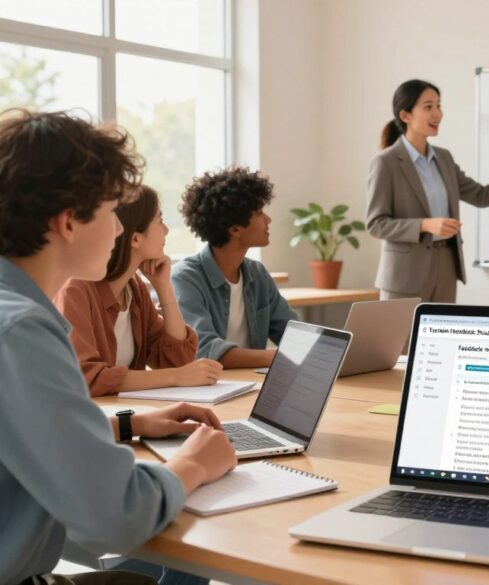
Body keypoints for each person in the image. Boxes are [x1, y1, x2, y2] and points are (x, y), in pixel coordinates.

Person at [0, 110, 236, 585]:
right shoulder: (22, 330)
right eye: (111, 212)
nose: (115, 231)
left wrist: (131, 423)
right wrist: (193, 463)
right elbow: (116, 513)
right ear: (69, 222)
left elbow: (23, 430)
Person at [367, 79, 489, 302]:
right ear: (405, 115)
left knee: (440, 337)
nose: (437, 114)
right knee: (401, 338)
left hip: (446, 266)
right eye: (428, 107)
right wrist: (425, 225)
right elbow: (376, 224)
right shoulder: (386, 162)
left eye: (439, 106)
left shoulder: (444, 158)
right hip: (404, 275)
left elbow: (481, 195)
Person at [55, 185, 223, 396]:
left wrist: (164, 287)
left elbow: (176, 360)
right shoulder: (76, 288)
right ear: (135, 239)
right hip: (93, 422)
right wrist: (176, 376)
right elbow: (86, 377)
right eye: (160, 221)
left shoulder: (134, 288)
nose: (167, 231)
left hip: (129, 416)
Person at [172, 166, 296, 368]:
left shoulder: (258, 274)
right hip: (209, 389)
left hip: (250, 384)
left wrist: (334, 349)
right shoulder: (185, 278)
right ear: (235, 229)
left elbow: (295, 333)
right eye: (259, 212)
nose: (268, 219)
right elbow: (204, 349)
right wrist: (276, 358)